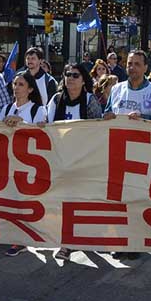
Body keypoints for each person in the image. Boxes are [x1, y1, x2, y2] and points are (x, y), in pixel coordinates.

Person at [46, 64, 102, 260]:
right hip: (62, 160)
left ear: (83, 79)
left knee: (83, 202)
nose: (70, 78)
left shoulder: (90, 101)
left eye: (75, 75)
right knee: (65, 203)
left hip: (85, 160)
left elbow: (98, 130)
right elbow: (48, 128)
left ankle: (86, 236)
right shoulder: (55, 100)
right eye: (67, 74)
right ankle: (66, 243)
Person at [0, 70, 47, 257]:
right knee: (9, 199)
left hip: (29, 165)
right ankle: (11, 235)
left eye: (21, 85)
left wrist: (22, 123)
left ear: (30, 89)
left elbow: (41, 136)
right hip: (7, 161)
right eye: (14, 84)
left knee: (25, 202)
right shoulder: (5, 109)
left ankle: (21, 239)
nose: (16, 88)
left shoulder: (38, 110)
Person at [104, 50, 151, 124]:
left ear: (145, 68)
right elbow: (106, 115)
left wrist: (143, 118)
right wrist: (107, 116)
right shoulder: (116, 89)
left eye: (137, 64)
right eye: (129, 64)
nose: (132, 67)